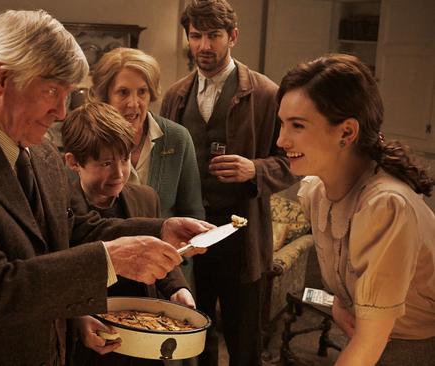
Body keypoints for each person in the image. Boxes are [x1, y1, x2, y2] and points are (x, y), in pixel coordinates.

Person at [0, 10, 211, 366]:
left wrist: (159, 229)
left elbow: (68, 229)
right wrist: (109, 259)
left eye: (69, 94)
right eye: (51, 91)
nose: (61, 112)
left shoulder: (42, 150)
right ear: (2, 78)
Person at [160, 1, 297, 365]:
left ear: (233, 37)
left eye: (214, 35)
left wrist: (255, 170)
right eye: (196, 36)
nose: (204, 45)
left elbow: (293, 163)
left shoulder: (267, 94)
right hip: (191, 235)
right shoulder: (175, 96)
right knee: (194, 330)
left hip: (243, 235)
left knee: (244, 339)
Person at [277, 54, 435, 365]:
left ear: (347, 132)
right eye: (281, 123)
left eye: (297, 125)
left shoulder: (385, 206)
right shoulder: (316, 193)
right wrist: (339, 303)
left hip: (414, 348)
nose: (281, 139)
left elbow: (370, 341)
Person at [62, 101, 195, 365]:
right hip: (92, 342)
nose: (120, 173)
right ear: (74, 162)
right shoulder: (59, 207)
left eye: (124, 159)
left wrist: (177, 288)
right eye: (106, 163)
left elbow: (157, 251)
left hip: (142, 339)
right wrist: (75, 319)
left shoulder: (146, 198)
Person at [90, 47, 204, 221]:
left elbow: (193, 214)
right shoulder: (88, 140)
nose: (134, 103)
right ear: (106, 96)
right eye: (123, 92)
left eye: (142, 92)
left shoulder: (177, 138)